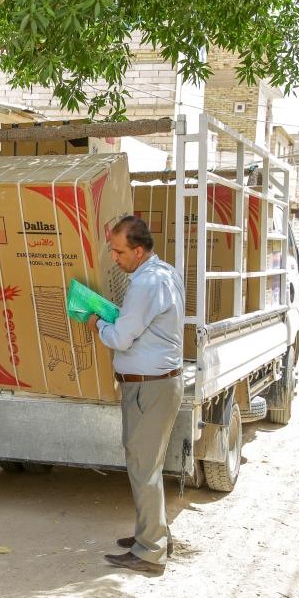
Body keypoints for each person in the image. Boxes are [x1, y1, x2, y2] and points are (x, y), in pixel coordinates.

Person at [88, 215, 185, 575]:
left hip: (149, 385)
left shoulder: (146, 283)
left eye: (119, 252)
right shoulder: (165, 273)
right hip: (157, 383)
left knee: (143, 467)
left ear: (139, 251)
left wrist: (97, 322)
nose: (114, 258)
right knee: (148, 465)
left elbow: (120, 337)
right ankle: (153, 534)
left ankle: (150, 552)